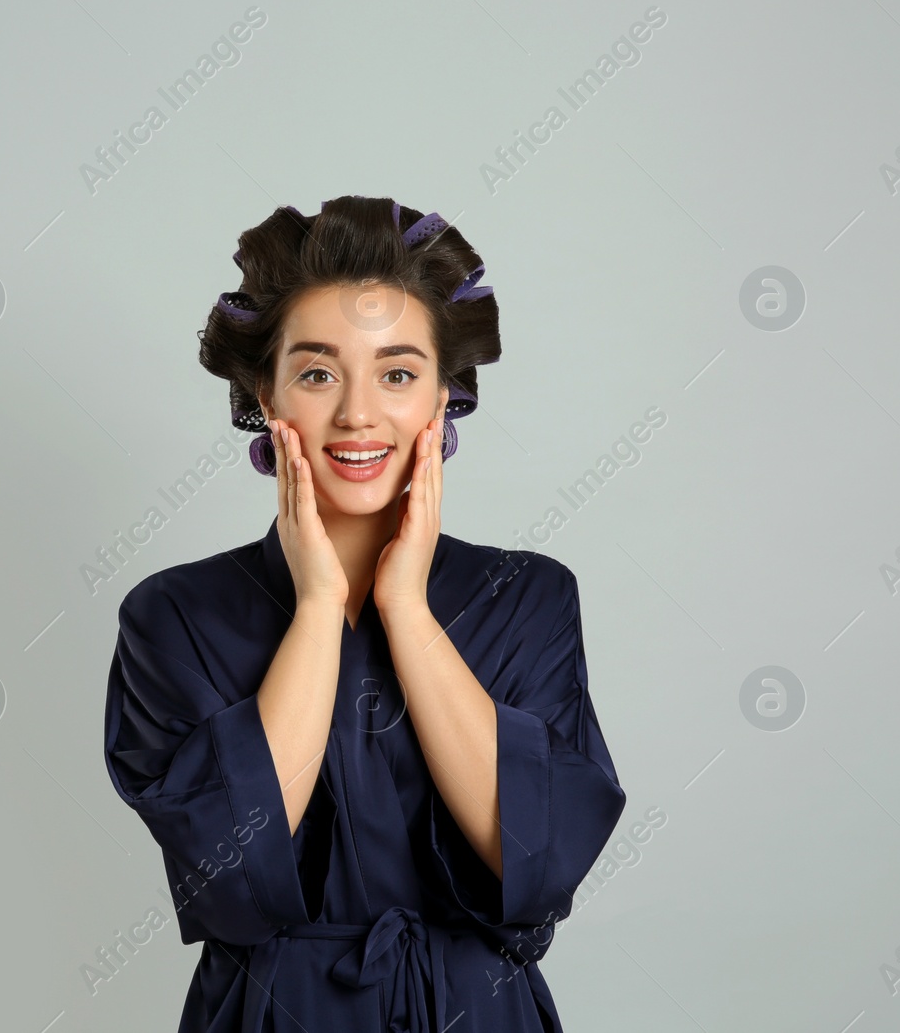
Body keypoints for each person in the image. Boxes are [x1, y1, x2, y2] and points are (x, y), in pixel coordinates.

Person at [101, 196, 627, 1032]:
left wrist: (406, 608)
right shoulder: (176, 615)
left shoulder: (528, 599)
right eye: (316, 372)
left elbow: (538, 860)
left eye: (397, 372)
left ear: (442, 399)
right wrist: (316, 607)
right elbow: (228, 871)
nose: (356, 412)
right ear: (263, 397)